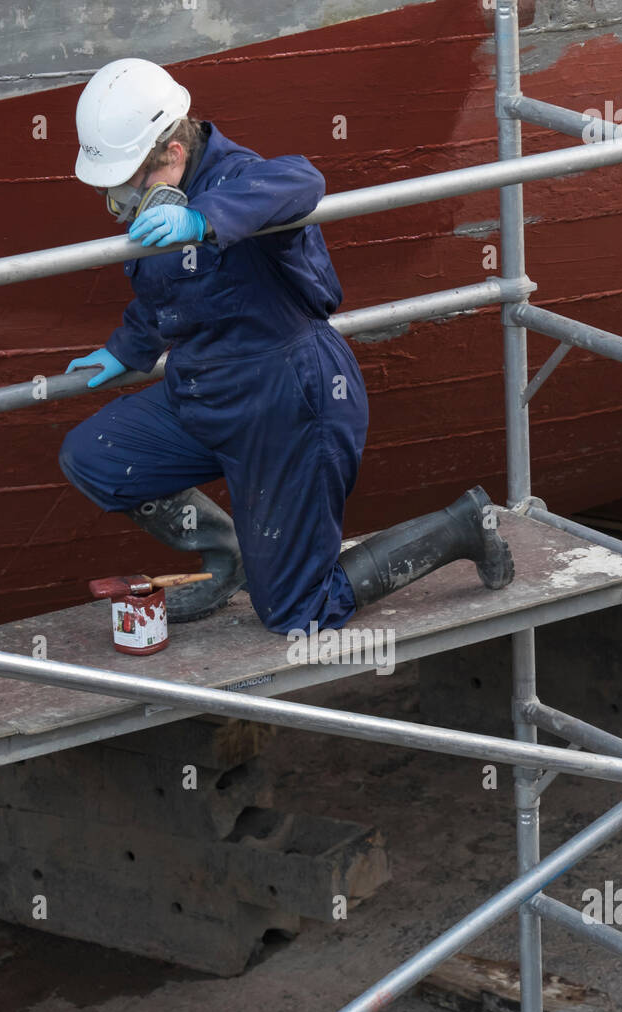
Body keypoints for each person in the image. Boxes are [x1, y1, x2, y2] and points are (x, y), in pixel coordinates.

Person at [61, 58, 514, 633]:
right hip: (206, 391)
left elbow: (302, 181)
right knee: (96, 456)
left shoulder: (240, 183)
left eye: (128, 186)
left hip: (290, 401)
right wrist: (127, 349)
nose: (121, 206)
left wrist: (203, 220)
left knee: (297, 613)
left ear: (172, 152)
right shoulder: (167, 203)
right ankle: (231, 558)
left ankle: (461, 527)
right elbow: (169, 295)